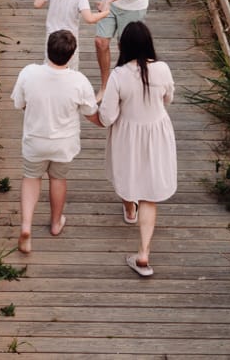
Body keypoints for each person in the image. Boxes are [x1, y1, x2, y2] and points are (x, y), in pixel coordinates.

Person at [94, 20, 177, 277]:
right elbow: (168, 98)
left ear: (123, 47)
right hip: (156, 132)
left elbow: (107, 116)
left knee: (127, 172)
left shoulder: (118, 76)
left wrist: (89, 114)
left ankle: (130, 210)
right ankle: (143, 253)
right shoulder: (162, 69)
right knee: (149, 194)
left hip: (128, 133)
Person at [10, 29, 98, 253]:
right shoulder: (79, 81)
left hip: (35, 140)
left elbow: (19, 104)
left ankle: (26, 226)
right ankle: (56, 223)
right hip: (64, 144)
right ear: (72, 55)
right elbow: (90, 111)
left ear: (47, 49)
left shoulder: (29, 73)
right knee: (58, 179)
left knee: (31, 178)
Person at [34, 0, 110, 68]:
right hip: (69, 41)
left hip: (52, 39)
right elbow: (89, 18)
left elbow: (37, 3)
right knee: (70, 70)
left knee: (50, 66)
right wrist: (106, 12)